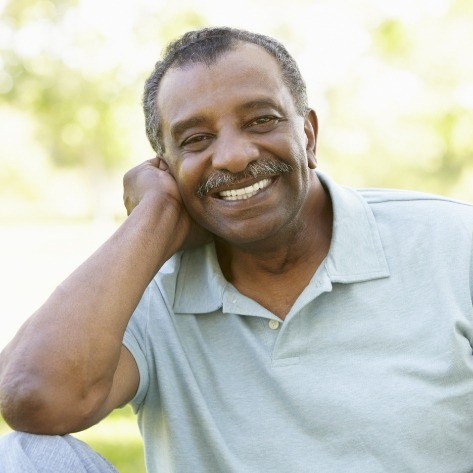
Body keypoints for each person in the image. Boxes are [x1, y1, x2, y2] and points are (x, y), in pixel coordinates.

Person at [0, 26, 473, 473]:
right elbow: (32, 398)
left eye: (261, 120)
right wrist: (153, 218)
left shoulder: (452, 242)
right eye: (196, 140)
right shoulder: (143, 287)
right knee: (23, 454)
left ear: (307, 135)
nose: (232, 156)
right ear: (164, 167)